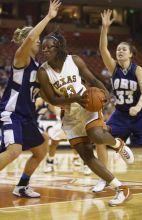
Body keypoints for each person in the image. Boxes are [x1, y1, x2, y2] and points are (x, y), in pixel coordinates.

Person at [37, 30, 134, 206]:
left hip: (88, 106)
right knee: (87, 156)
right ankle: (121, 188)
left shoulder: (74, 60)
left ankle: (118, 144)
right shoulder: (43, 72)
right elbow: (52, 98)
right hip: (70, 116)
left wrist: (104, 92)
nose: (44, 51)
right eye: (42, 48)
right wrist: (75, 99)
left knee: (96, 135)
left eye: (48, 47)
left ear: (58, 47)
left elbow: (92, 79)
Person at [0, 0, 61, 198]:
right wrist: (49, 17)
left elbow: (44, 94)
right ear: (27, 40)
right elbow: (32, 36)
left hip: (27, 118)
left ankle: (22, 186)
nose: (38, 41)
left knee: (43, 146)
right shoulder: (21, 57)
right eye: (36, 39)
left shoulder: (37, 67)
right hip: (12, 114)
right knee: (14, 150)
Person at [93, 9, 142, 193]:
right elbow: (102, 49)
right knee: (99, 137)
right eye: (118, 49)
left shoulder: (137, 70)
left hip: (141, 114)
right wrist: (105, 28)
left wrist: (138, 107)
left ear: (131, 54)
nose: (120, 51)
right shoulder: (113, 68)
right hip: (121, 114)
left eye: (124, 49)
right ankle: (104, 177)